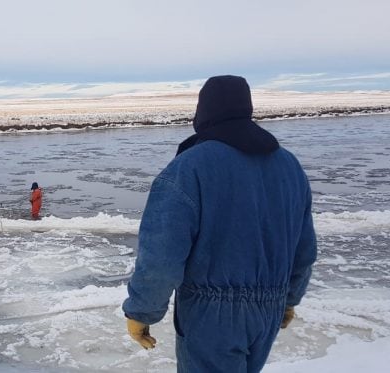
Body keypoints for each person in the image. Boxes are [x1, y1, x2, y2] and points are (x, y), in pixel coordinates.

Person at [122, 75, 317, 373]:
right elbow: (304, 249)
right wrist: (289, 298)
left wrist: (142, 311)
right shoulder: (288, 166)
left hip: (212, 316)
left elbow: (162, 255)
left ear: (204, 111)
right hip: (270, 308)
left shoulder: (189, 168)